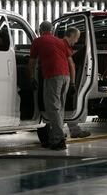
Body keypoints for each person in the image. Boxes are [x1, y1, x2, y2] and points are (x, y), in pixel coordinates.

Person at [29, 21, 70, 150]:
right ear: (52, 30)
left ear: (40, 30)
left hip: (53, 75)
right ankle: (56, 137)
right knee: (59, 108)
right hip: (66, 76)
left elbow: (31, 62)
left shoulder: (38, 41)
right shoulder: (60, 41)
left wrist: (31, 77)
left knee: (52, 108)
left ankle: (59, 140)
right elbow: (70, 60)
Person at [63, 27, 91, 139]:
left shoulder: (65, 45)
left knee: (67, 104)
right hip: (63, 77)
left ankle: (73, 130)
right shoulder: (64, 45)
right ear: (72, 36)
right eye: (77, 38)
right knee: (63, 105)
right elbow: (71, 64)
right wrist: (73, 83)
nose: (76, 41)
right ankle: (58, 132)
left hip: (61, 77)